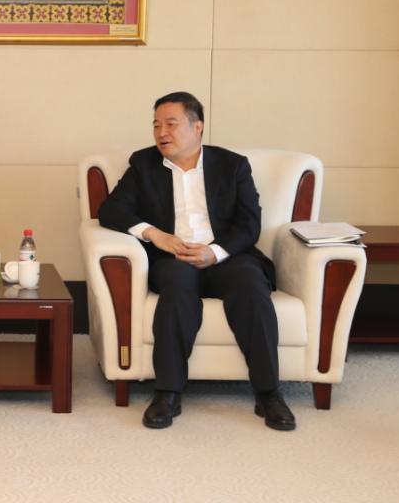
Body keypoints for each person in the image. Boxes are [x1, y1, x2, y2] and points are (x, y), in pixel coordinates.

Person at [98, 91, 296, 431]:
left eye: (171, 124)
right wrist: (154, 234)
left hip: (226, 256)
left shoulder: (232, 165)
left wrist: (214, 252)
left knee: (250, 286)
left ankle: (269, 393)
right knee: (177, 288)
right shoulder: (144, 164)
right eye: (156, 125)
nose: (162, 133)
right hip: (172, 257)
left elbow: (249, 224)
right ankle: (167, 393)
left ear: (197, 127)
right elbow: (111, 209)